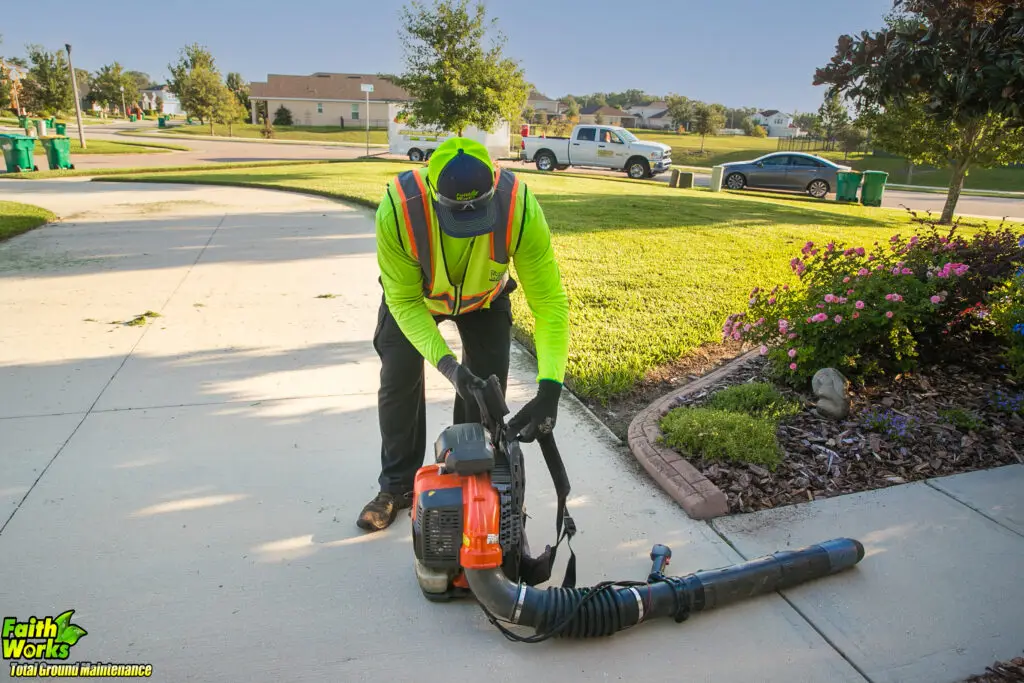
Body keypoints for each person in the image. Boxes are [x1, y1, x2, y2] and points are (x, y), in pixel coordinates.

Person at [357, 136, 570, 531]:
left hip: (485, 300)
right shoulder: (399, 211)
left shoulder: (519, 207)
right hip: (416, 302)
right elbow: (402, 303)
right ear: (434, 195)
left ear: (493, 185)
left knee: (485, 389)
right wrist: (450, 368)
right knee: (398, 379)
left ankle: (468, 478)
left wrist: (550, 387)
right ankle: (397, 488)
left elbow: (550, 304)